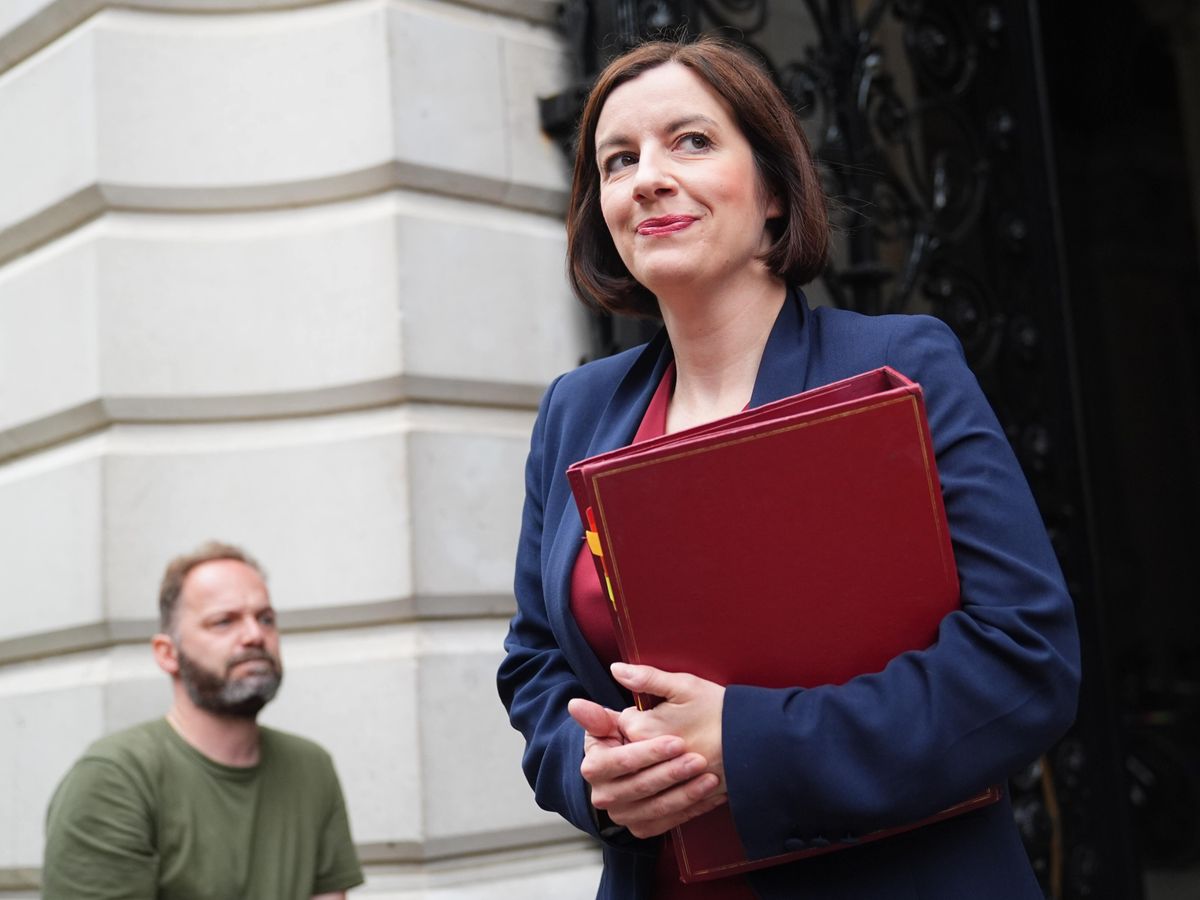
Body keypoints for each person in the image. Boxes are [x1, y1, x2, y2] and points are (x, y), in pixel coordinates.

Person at [497, 36, 1081, 900]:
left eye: (690, 141)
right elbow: (535, 659)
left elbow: (1023, 657)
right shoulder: (576, 411)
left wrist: (748, 742)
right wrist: (589, 771)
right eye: (618, 160)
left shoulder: (899, 366)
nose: (648, 176)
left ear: (773, 189)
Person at [43, 542, 363, 900]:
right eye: (224, 621)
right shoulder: (114, 777)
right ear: (168, 654)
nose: (255, 635)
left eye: (266, 618)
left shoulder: (311, 767)